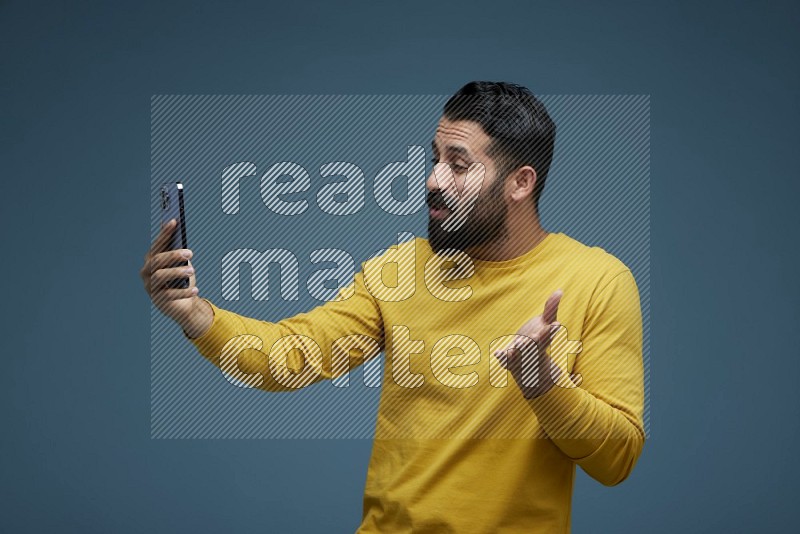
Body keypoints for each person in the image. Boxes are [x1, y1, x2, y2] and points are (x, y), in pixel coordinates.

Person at [141, 81, 646, 533]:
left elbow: (616, 459)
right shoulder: (399, 271)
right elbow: (291, 356)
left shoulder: (598, 281)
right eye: (435, 159)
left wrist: (541, 382)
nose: (433, 179)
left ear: (520, 182)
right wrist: (194, 313)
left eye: (459, 164)